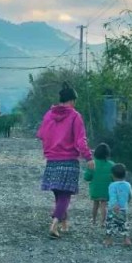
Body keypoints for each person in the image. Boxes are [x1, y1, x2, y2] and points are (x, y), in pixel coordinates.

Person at [36, 82, 95, 239]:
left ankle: (64, 222)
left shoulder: (49, 115)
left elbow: (41, 134)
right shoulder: (75, 116)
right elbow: (80, 141)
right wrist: (89, 157)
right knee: (65, 195)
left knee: (58, 193)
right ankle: (54, 224)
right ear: (72, 100)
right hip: (69, 160)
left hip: (52, 160)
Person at [83, 143, 114, 225]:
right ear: (107, 154)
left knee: (95, 204)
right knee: (104, 205)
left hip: (95, 189)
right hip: (106, 190)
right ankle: (102, 222)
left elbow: (87, 177)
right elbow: (114, 178)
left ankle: (93, 220)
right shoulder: (112, 165)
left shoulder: (93, 164)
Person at [104, 163, 132, 247]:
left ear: (112, 175)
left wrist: (114, 205)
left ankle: (108, 240)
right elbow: (130, 195)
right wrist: (127, 202)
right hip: (123, 208)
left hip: (113, 209)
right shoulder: (128, 185)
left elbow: (112, 196)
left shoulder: (112, 185)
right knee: (124, 224)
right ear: (125, 174)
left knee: (110, 224)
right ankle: (126, 240)